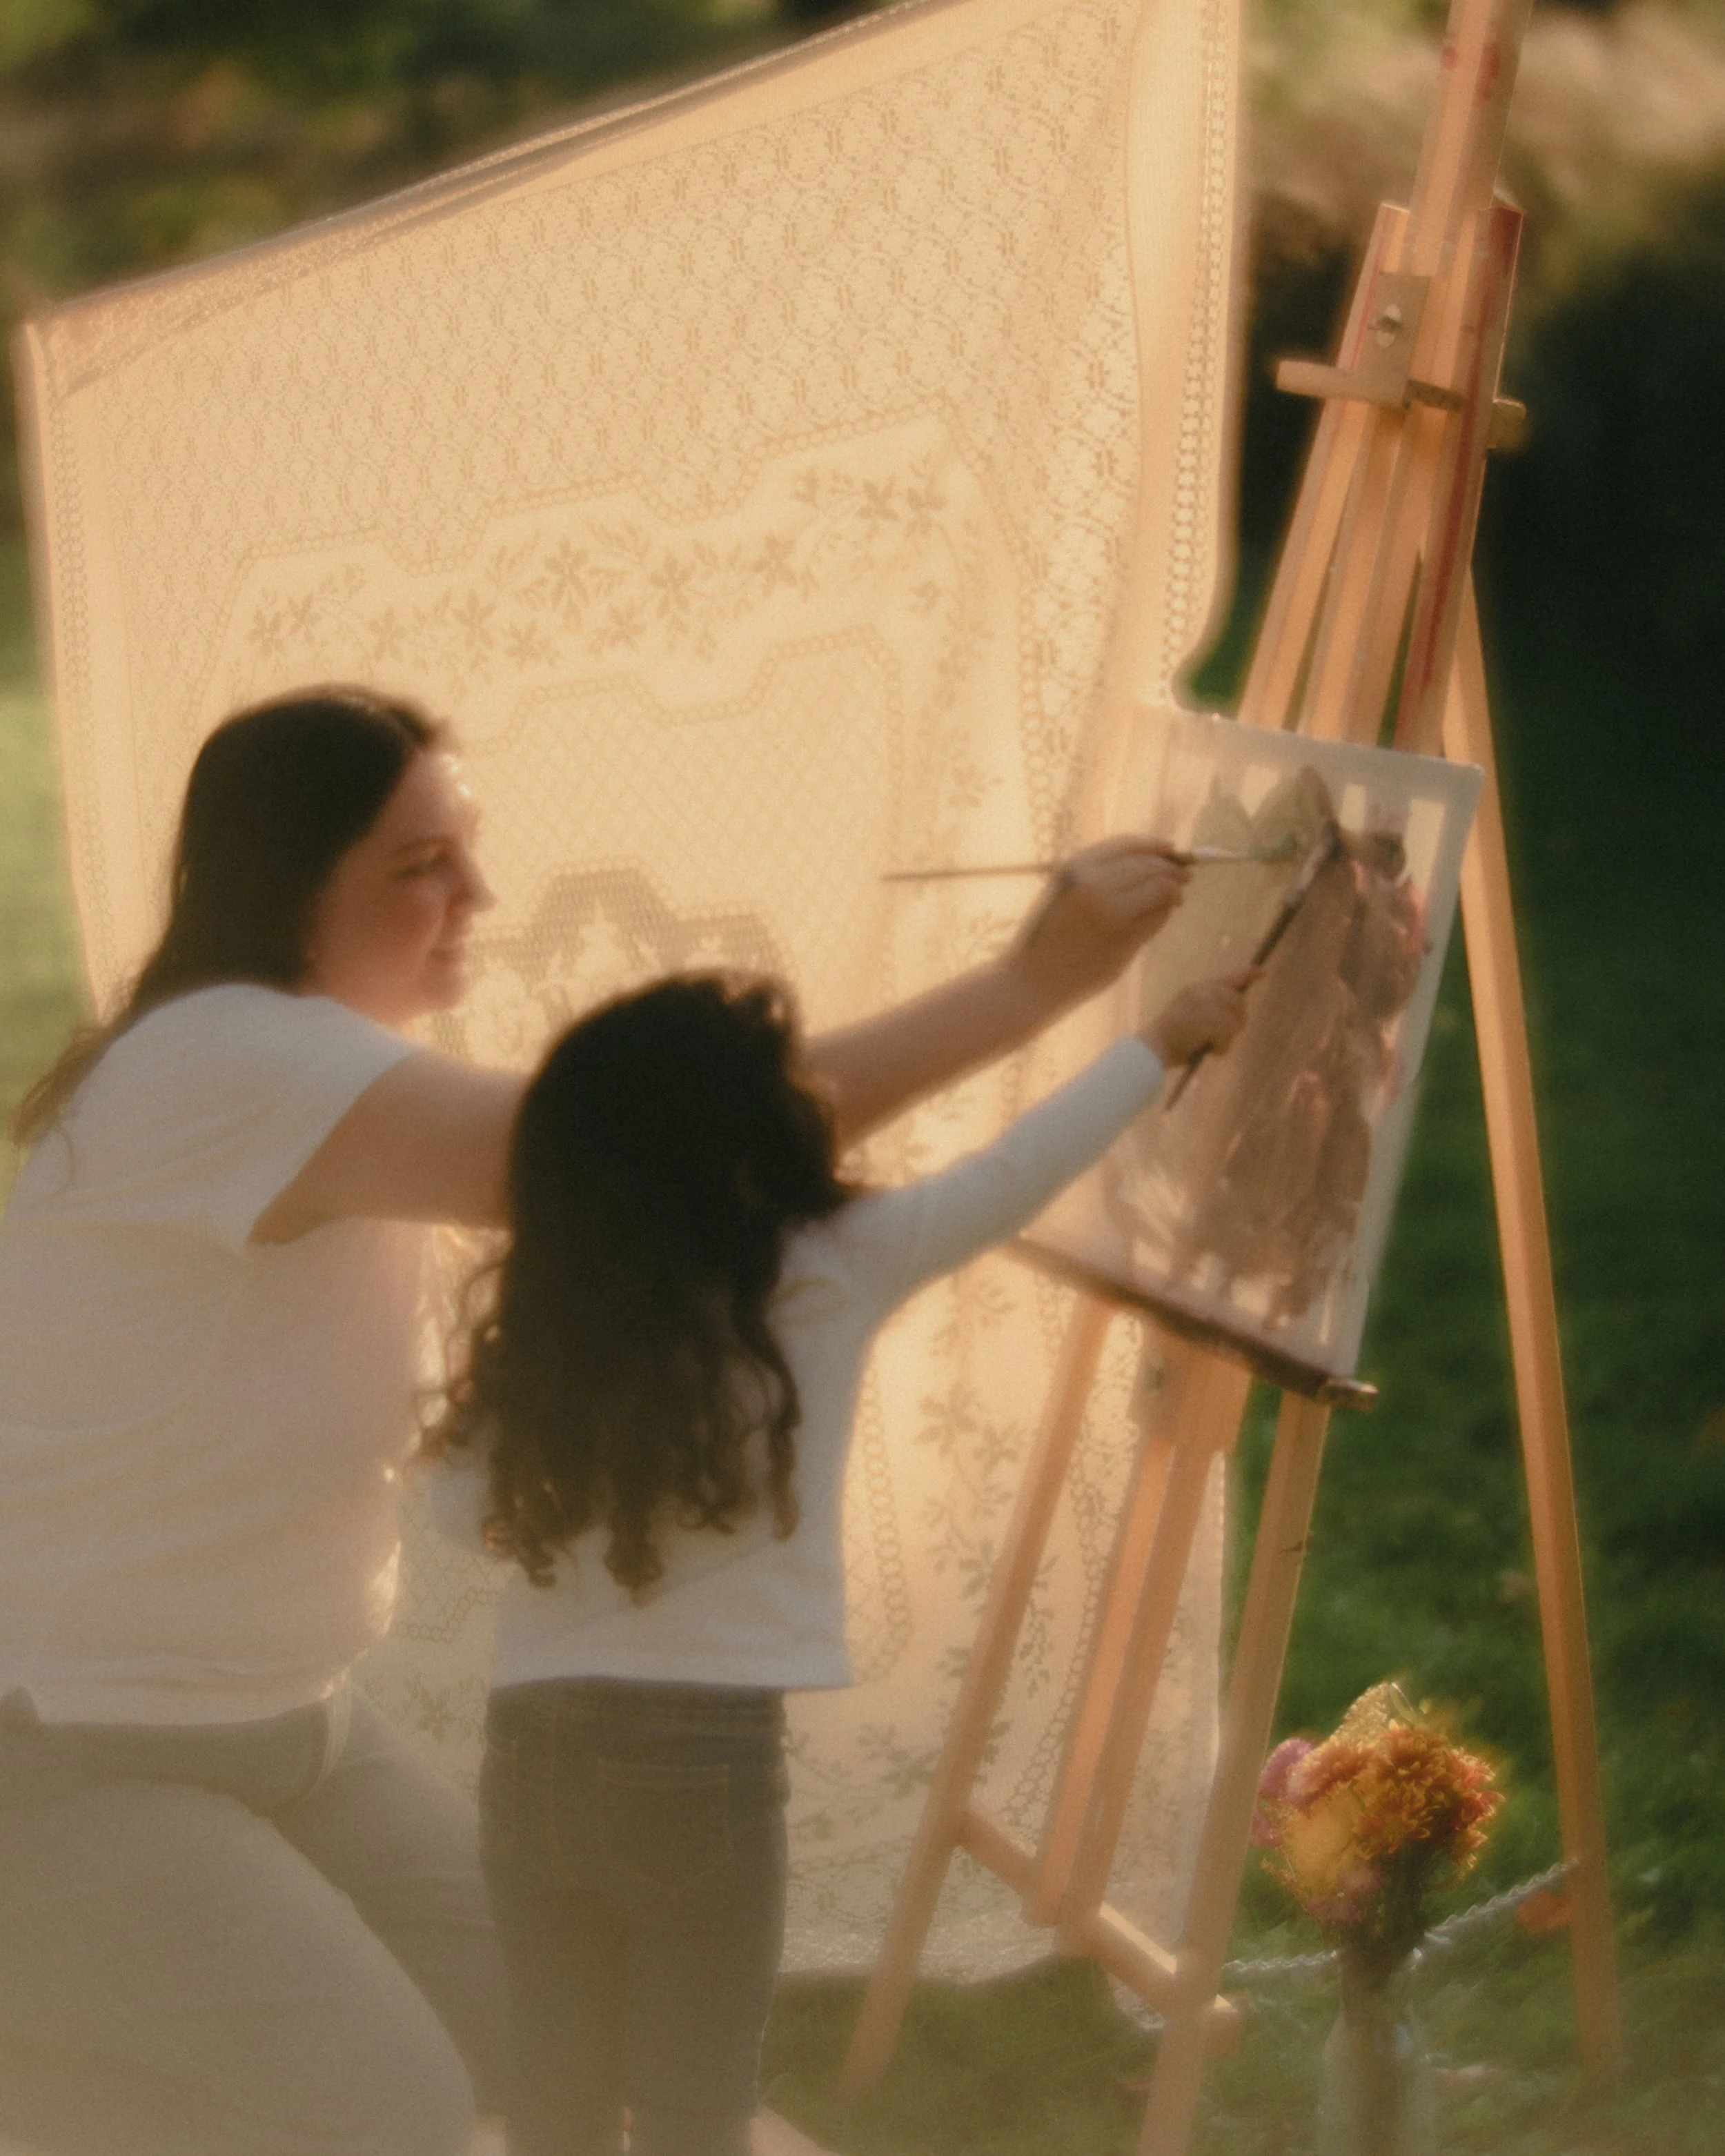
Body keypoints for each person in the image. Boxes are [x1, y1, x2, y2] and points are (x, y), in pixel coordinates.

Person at [0, 683, 1192, 2156]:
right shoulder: (232, 1061)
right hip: (65, 1757)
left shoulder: (303, 1067)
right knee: (386, 2111)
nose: (473, 896)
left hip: (289, 1725)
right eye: (414, 866)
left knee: (568, 2052)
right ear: (285, 880)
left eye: (465, 849)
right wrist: (1028, 988)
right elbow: (657, 1158)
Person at [430, 964, 1254, 2156]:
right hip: (703, 1768)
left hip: (534, 1752)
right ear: (755, 1132)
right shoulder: (827, 1265)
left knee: (552, 2095)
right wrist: (1160, 1044)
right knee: (694, 2112)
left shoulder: (552, 1304)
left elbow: (461, 1514)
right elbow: (1012, 1175)